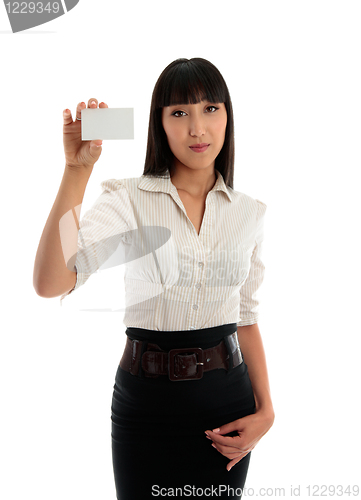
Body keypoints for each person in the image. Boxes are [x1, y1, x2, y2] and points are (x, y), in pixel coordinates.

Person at [33, 57, 275, 499]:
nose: (197, 129)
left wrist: (267, 411)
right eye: (179, 113)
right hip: (146, 409)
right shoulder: (129, 197)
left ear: (228, 115)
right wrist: (77, 170)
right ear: (159, 124)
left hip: (227, 408)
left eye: (210, 109)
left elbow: (246, 316)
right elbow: (51, 282)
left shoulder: (249, 212)